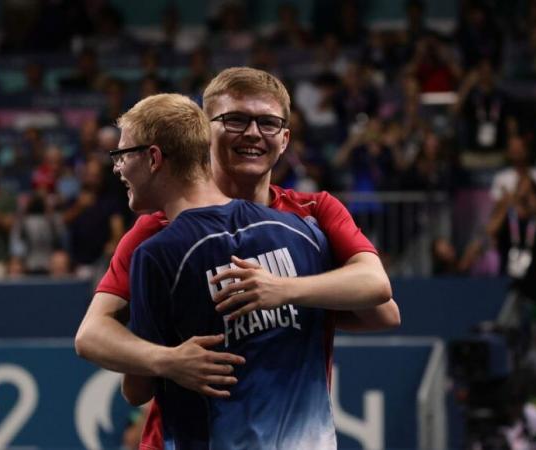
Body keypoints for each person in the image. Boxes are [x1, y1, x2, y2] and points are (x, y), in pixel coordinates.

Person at [75, 67, 399, 446]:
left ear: (285, 138)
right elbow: (93, 333)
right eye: (235, 120)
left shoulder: (313, 214)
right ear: (204, 130)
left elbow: (380, 302)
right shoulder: (155, 232)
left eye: (268, 123)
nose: (253, 133)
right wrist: (167, 359)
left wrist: (283, 291)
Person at [120, 93, 359, 448]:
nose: (117, 167)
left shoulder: (156, 252)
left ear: (154, 157)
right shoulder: (305, 232)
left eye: (123, 155)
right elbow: (381, 310)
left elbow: (136, 390)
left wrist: (165, 359)